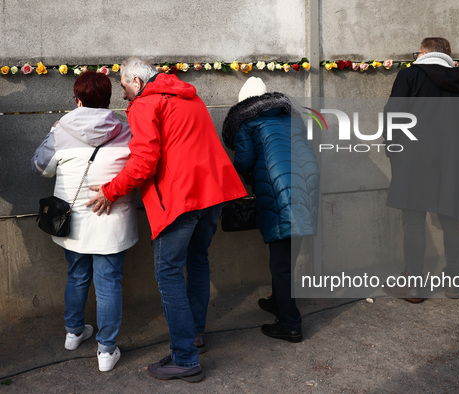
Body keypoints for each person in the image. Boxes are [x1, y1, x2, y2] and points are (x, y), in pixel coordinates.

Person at [86, 57, 246, 382]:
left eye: (124, 88)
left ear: (135, 81)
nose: (123, 96)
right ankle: (195, 335)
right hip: (211, 195)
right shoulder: (189, 96)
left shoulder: (146, 104)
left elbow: (144, 160)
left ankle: (185, 358)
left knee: (168, 273)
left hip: (181, 200)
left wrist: (109, 191)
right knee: (198, 260)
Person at [31, 71, 138, 372]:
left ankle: (74, 333)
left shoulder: (61, 131)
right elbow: (140, 169)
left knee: (77, 275)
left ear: (77, 99)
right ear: (107, 101)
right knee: (108, 283)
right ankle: (106, 351)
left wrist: (51, 135)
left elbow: (40, 168)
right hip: (112, 222)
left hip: (72, 223)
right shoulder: (127, 131)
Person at [383, 37, 459, 302]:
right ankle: (454, 281)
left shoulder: (410, 76)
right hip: (457, 164)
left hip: (415, 161)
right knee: (453, 221)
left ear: (424, 52)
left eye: (417, 52)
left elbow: (393, 117)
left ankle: (414, 283)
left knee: (414, 222)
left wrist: (395, 154)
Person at [222, 77, 319, 342]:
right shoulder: (293, 118)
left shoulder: (246, 122)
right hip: (306, 187)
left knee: (280, 262)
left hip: (279, 189)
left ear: (245, 103)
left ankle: (290, 324)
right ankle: (279, 301)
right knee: (289, 254)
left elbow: (244, 161)